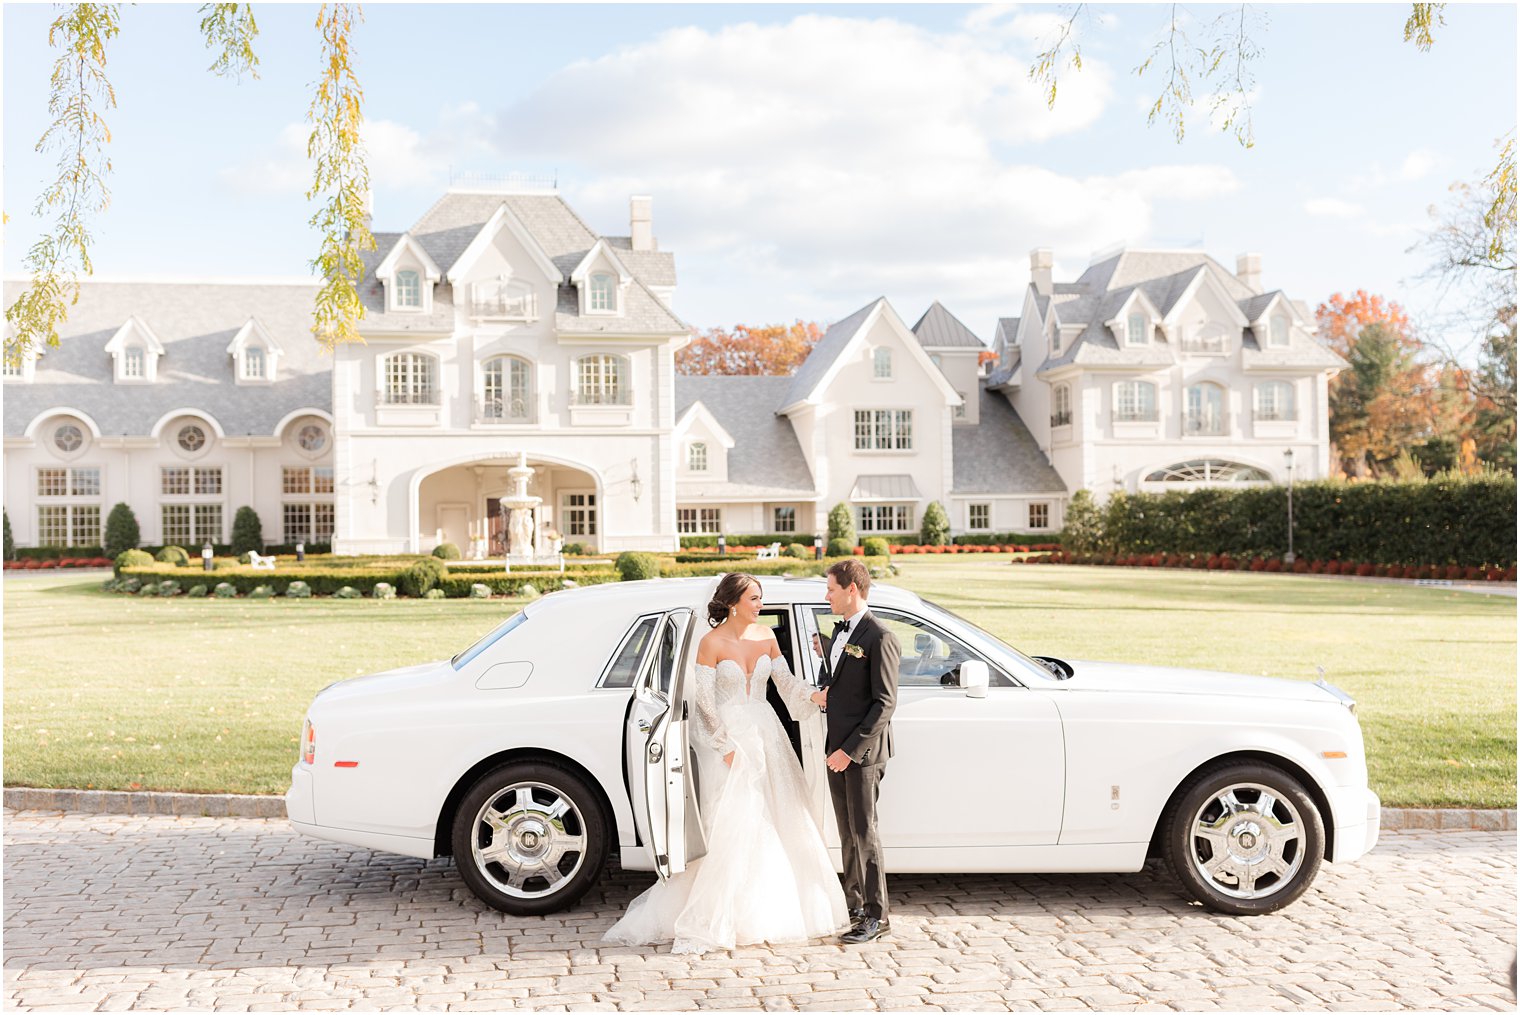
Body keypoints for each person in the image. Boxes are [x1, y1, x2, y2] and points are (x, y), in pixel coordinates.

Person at [602, 573, 848, 953]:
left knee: (780, 814)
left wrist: (815, 697)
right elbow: (704, 701)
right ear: (734, 603)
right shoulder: (710, 642)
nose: (760, 605)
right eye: (753, 598)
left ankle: (774, 908)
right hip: (730, 738)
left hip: (768, 735)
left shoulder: (767, 636)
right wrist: (724, 745)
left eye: (760, 598)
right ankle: (720, 912)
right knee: (733, 821)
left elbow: (784, 683)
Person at [816, 558, 900, 944]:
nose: (827, 595)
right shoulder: (839, 635)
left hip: (861, 753)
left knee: (865, 833)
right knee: (847, 833)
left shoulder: (879, 636)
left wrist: (849, 751)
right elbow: (835, 683)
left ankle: (877, 916)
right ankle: (853, 906)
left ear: (852, 589)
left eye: (831, 589)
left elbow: (884, 703)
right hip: (837, 749)